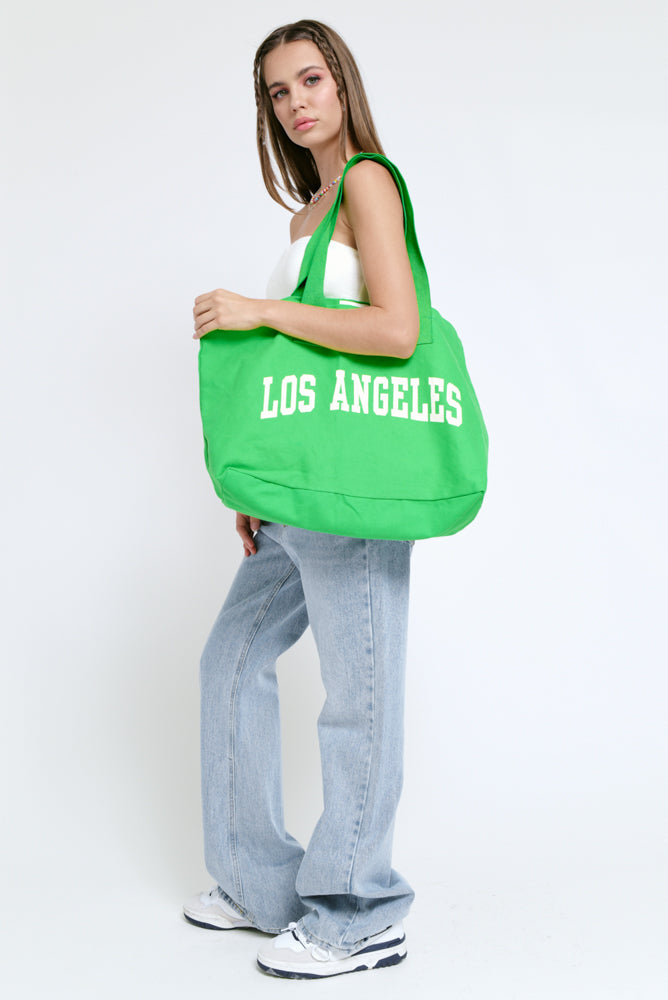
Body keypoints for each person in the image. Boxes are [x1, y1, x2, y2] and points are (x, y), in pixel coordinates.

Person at [185, 19, 420, 979]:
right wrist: (257, 483)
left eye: (310, 80)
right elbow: (302, 370)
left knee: (358, 698)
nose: (296, 103)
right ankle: (260, 885)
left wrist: (258, 307)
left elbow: (396, 330)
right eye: (278, 92)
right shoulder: (308, 215)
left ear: (342, 82)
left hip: (354, 492)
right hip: (298, 494)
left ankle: (361, 914)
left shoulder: (367, 182)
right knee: (229, 662)